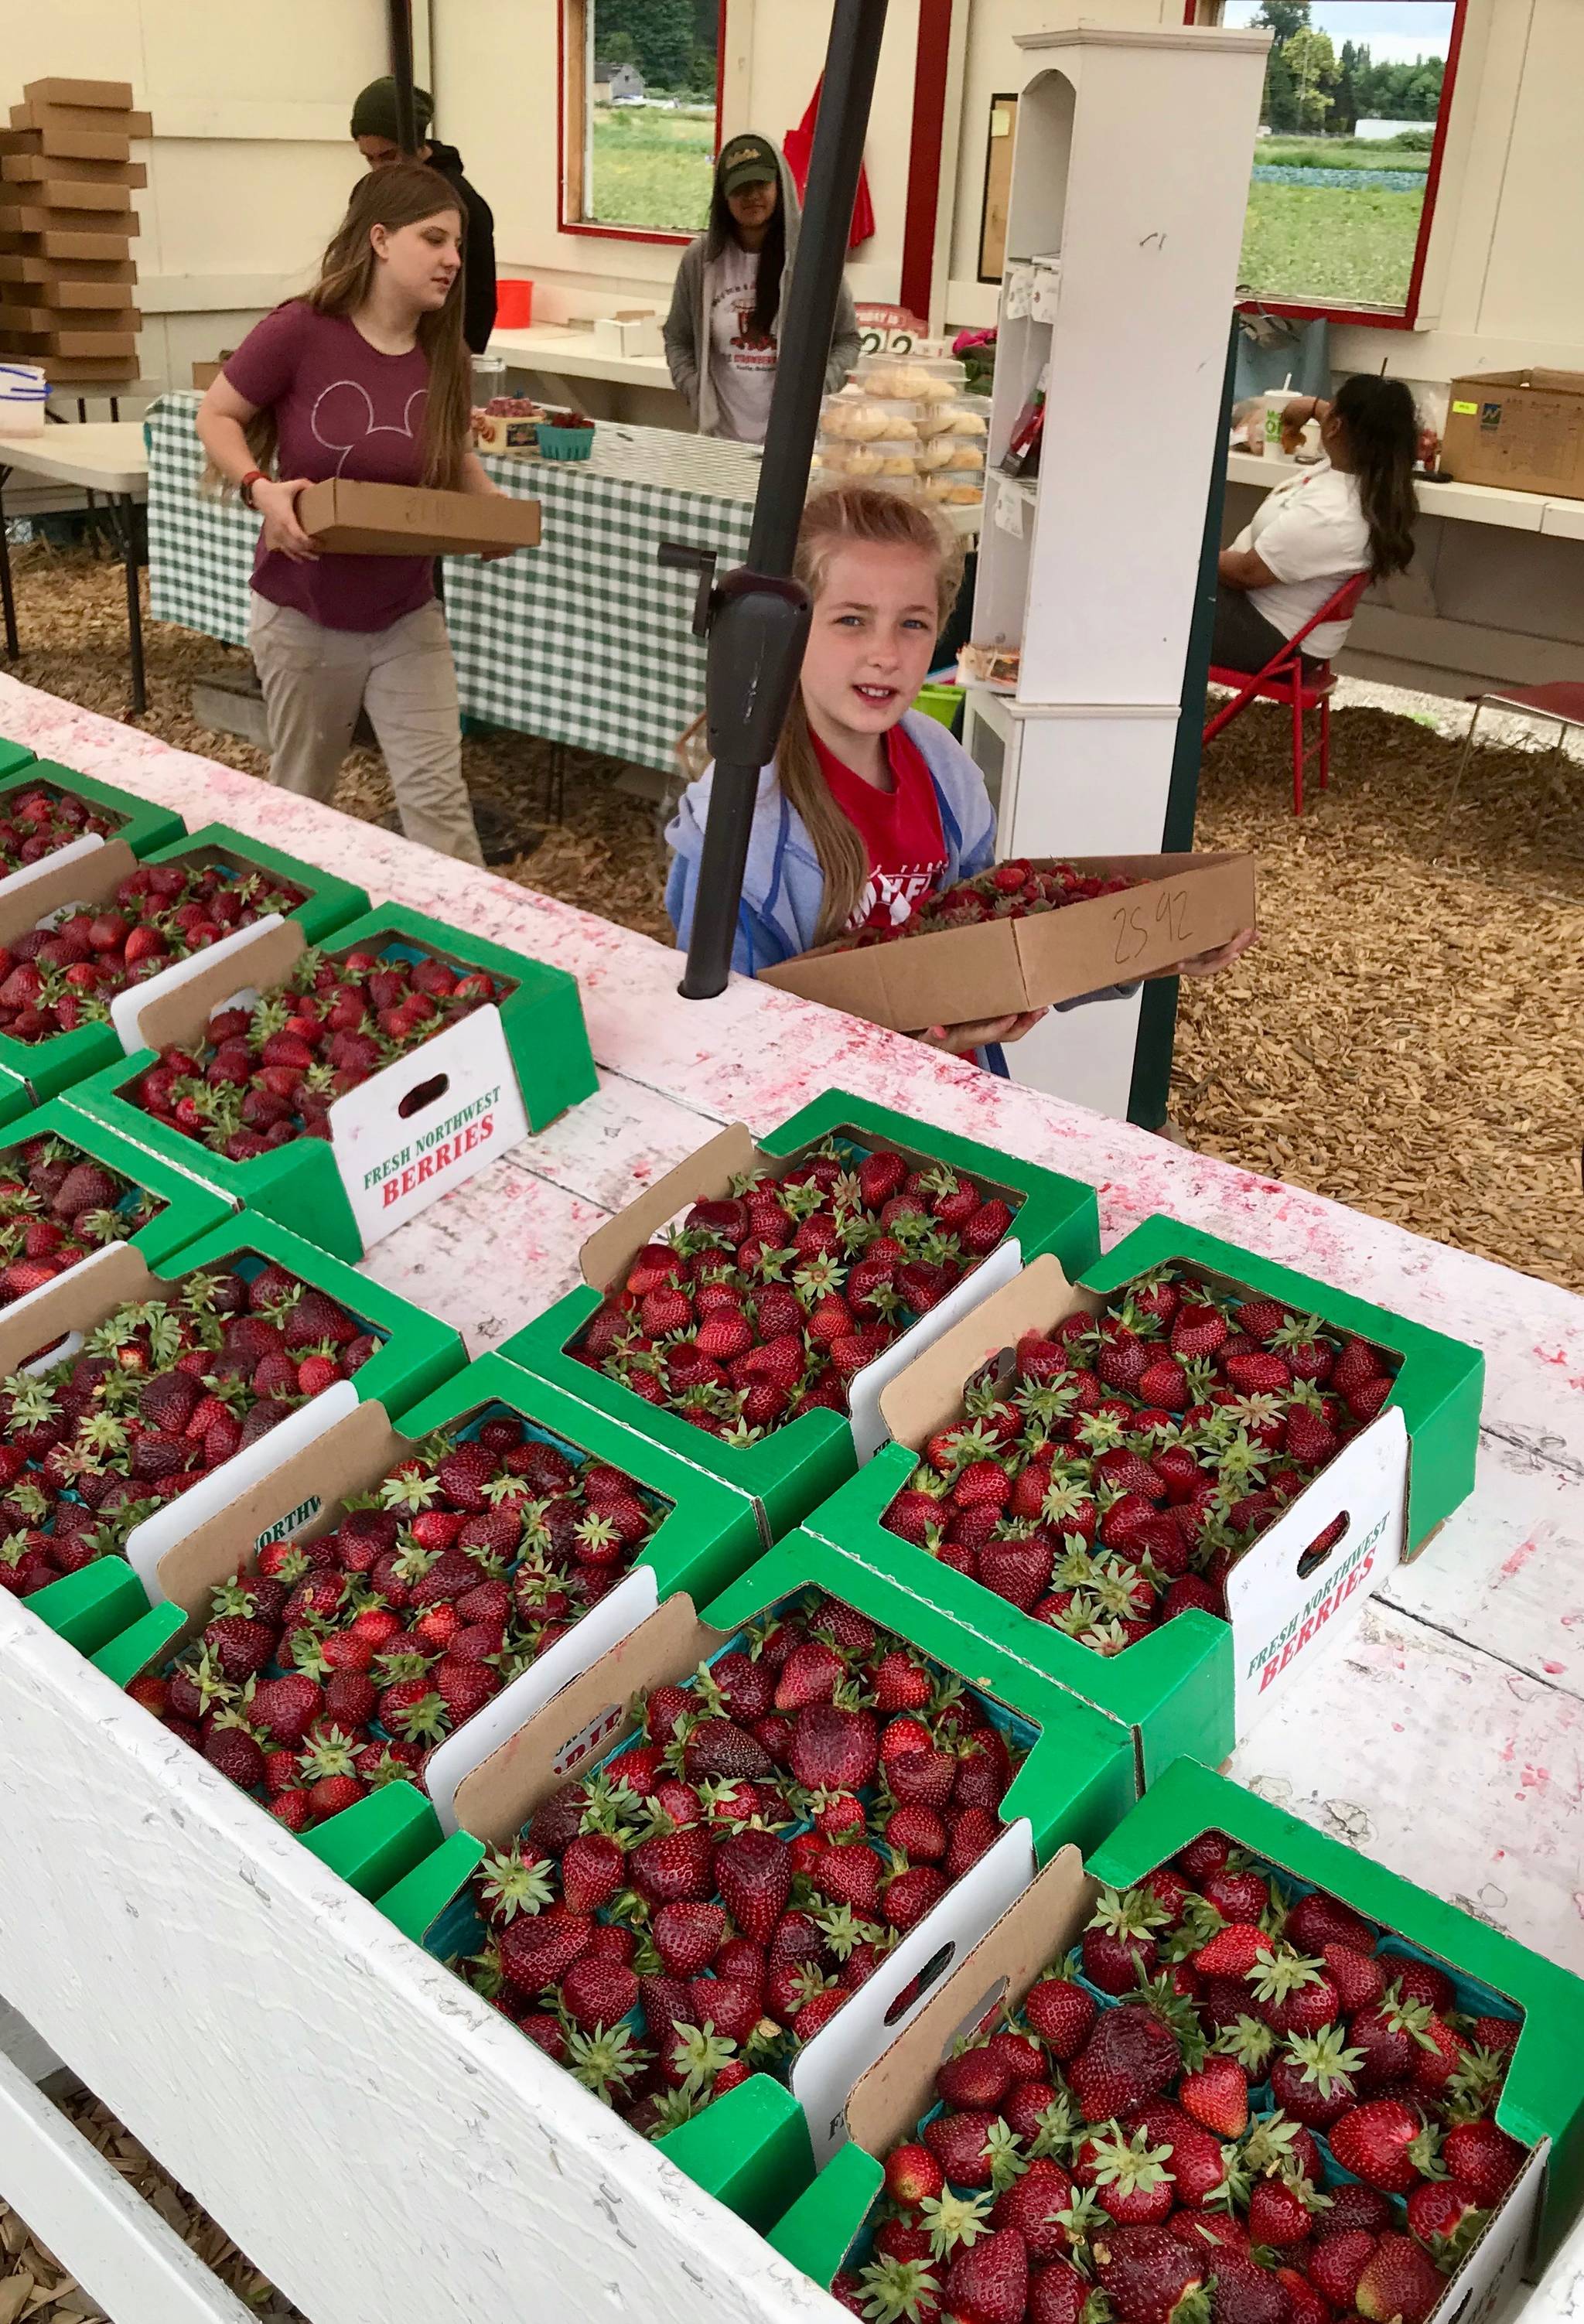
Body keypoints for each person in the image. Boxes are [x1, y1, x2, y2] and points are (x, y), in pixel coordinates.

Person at [667, 483, 1253, 1058]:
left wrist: (1151, 948)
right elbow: (735, 1044)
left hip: (953, 1101)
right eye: (852, 620)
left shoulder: (944, 771)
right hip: (834, 1134)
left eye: (913, 623)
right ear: (789, 629)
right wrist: (910, 1039)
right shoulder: (741, 823)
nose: (886, 653)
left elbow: (997, 945)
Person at [196, 162, 526, 866]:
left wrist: (491, 510)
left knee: (439, 804)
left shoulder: (444, 352)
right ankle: (285, 941)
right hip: (304, 614)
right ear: (379, 239)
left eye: (458, 245)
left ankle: (473, 966)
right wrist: (261, 487)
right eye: (433, 239)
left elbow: (452, 450)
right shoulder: (301, 329)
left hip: (408, 615)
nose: (453, 261)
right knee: (301, 802)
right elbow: (217, 414)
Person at [1214, 374, 1418, 671]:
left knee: (1149, 596)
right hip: (1279, 622)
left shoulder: (1331, 514)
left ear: (1336, 428)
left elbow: (1245, 572)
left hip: (1267, 637)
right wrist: (1311, 407)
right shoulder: (1366, 474)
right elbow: (1343, 419)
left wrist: (1187, 556)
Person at [663, 131, 859, 442]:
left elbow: (847, 341)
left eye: (761, 184)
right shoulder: (700, 260)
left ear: (779, 186)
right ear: (723, 197)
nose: (752, 195)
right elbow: (677, 338)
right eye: (740, 188)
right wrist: (695, 388)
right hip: (721, 443)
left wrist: (816, 388)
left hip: (795, 446)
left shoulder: (814, 259)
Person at [351, 76, 497, 356]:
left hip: (435, 351)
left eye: (388, 156)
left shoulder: (460, 201)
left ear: (415, 145)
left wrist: (457, 365)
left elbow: (480, 300)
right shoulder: (369, 193)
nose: (379, 169)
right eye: (369, 159)